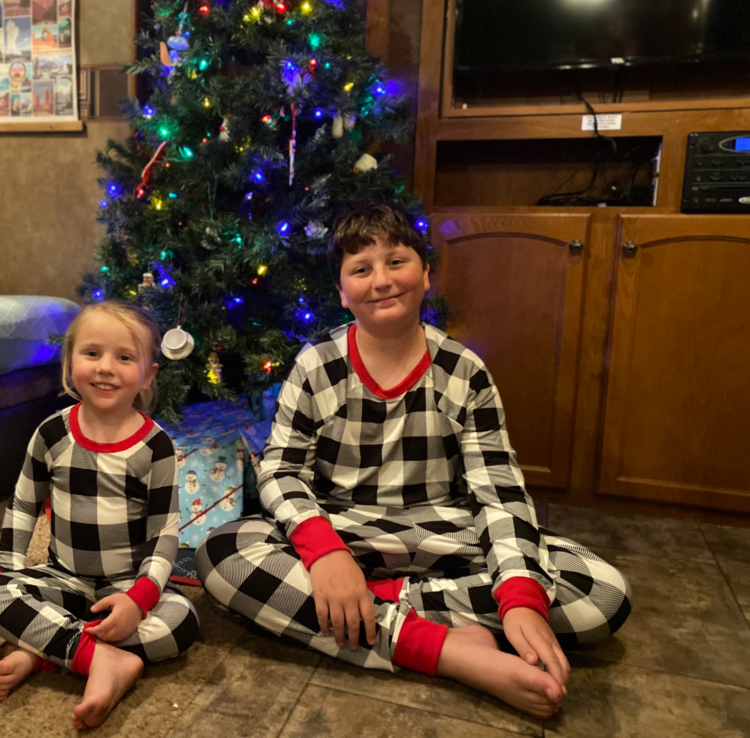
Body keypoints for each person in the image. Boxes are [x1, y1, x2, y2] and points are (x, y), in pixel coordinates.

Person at [196, 203, 632, 720]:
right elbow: (281, 470)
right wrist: (326, 555)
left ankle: (373, 610)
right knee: (223, 553)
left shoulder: (465, 371)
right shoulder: (316, 364)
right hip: (343, 537)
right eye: (361, 269)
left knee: (601, 592)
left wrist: (519, 595)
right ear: (341, 293)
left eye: (396, 262)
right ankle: (448, 652)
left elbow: (499, 489)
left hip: (446, 542)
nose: (381, 281)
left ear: (426, 275)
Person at [0, 301, 199, 729]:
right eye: (92, 353)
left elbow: (164, 532)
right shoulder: (51, 433)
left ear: (148, 375)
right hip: (64, 580)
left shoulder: (155, 447)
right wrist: (9, 571)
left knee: (182, 623)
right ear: (69, 361)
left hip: (127, 586)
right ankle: (102, 659)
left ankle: (43, 653)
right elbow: (23, 506)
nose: (106, 368)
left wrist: (138, 599)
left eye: (124, 357)